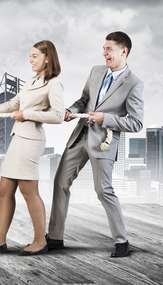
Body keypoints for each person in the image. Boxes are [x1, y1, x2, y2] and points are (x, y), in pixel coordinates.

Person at [47, 31, 144, 258]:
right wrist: (72, 110)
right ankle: (54, 237)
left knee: (103, 190)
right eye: (103, 48)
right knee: (60, 182)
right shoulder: (96, 71)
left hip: (103, 143)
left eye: (108, 49)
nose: (104, 53)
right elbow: (83, 99)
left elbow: (136, 123)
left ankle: (122, 241)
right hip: (80, 136)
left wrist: (105, 118)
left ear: (124, 51)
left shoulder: (134, 84)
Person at [0, 40, 65, 256]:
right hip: (19, 138)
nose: (30, 60)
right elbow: (13, 104)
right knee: (4, 188)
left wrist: (27, 114)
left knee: (28, 190)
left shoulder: (54, 84)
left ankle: (40, 240)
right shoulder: (32, 81)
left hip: (31, 140)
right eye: (30, 56)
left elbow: (58, 116)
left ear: (47, 58)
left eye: (34, 56)